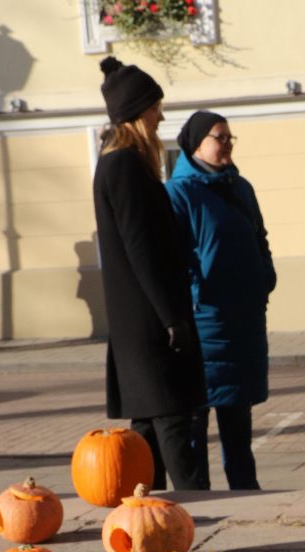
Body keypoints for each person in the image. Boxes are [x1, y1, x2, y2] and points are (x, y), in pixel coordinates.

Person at [93, 56, 207, 491]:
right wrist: (171, 317)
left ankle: (149, 507)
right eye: (156, 107)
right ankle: (198, 506)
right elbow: (141, 248)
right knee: (172, 420)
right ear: (139, 112)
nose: (161, 116)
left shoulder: (121, 162)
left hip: (140, 317)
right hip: (148, 319)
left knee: (148, 427)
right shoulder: (123, 165)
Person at [166, 110, 276, 490]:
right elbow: (173, 257)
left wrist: (265, 277)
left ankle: (245, 490)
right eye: (219, 136)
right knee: (197, 418)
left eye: (231, 137)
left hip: (242, 319)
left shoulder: (240, 188)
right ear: (197, 143)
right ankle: (198, 497)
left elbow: (260, 237)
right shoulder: (179, 193)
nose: (227, 143)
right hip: (205, 323)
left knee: (238, 417)